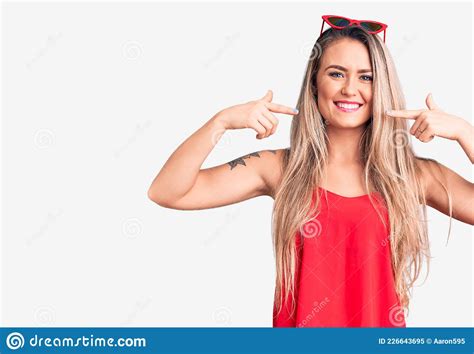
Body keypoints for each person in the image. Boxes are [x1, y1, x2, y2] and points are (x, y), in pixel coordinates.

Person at [147, 16, 474, 327]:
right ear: (315, 84)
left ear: (382, 87)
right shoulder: (279, 168)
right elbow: (168, 191)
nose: (349, 89)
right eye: (336, 73)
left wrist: (465, 133)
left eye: (366, 76)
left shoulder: (413, 176)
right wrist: (220, 123)